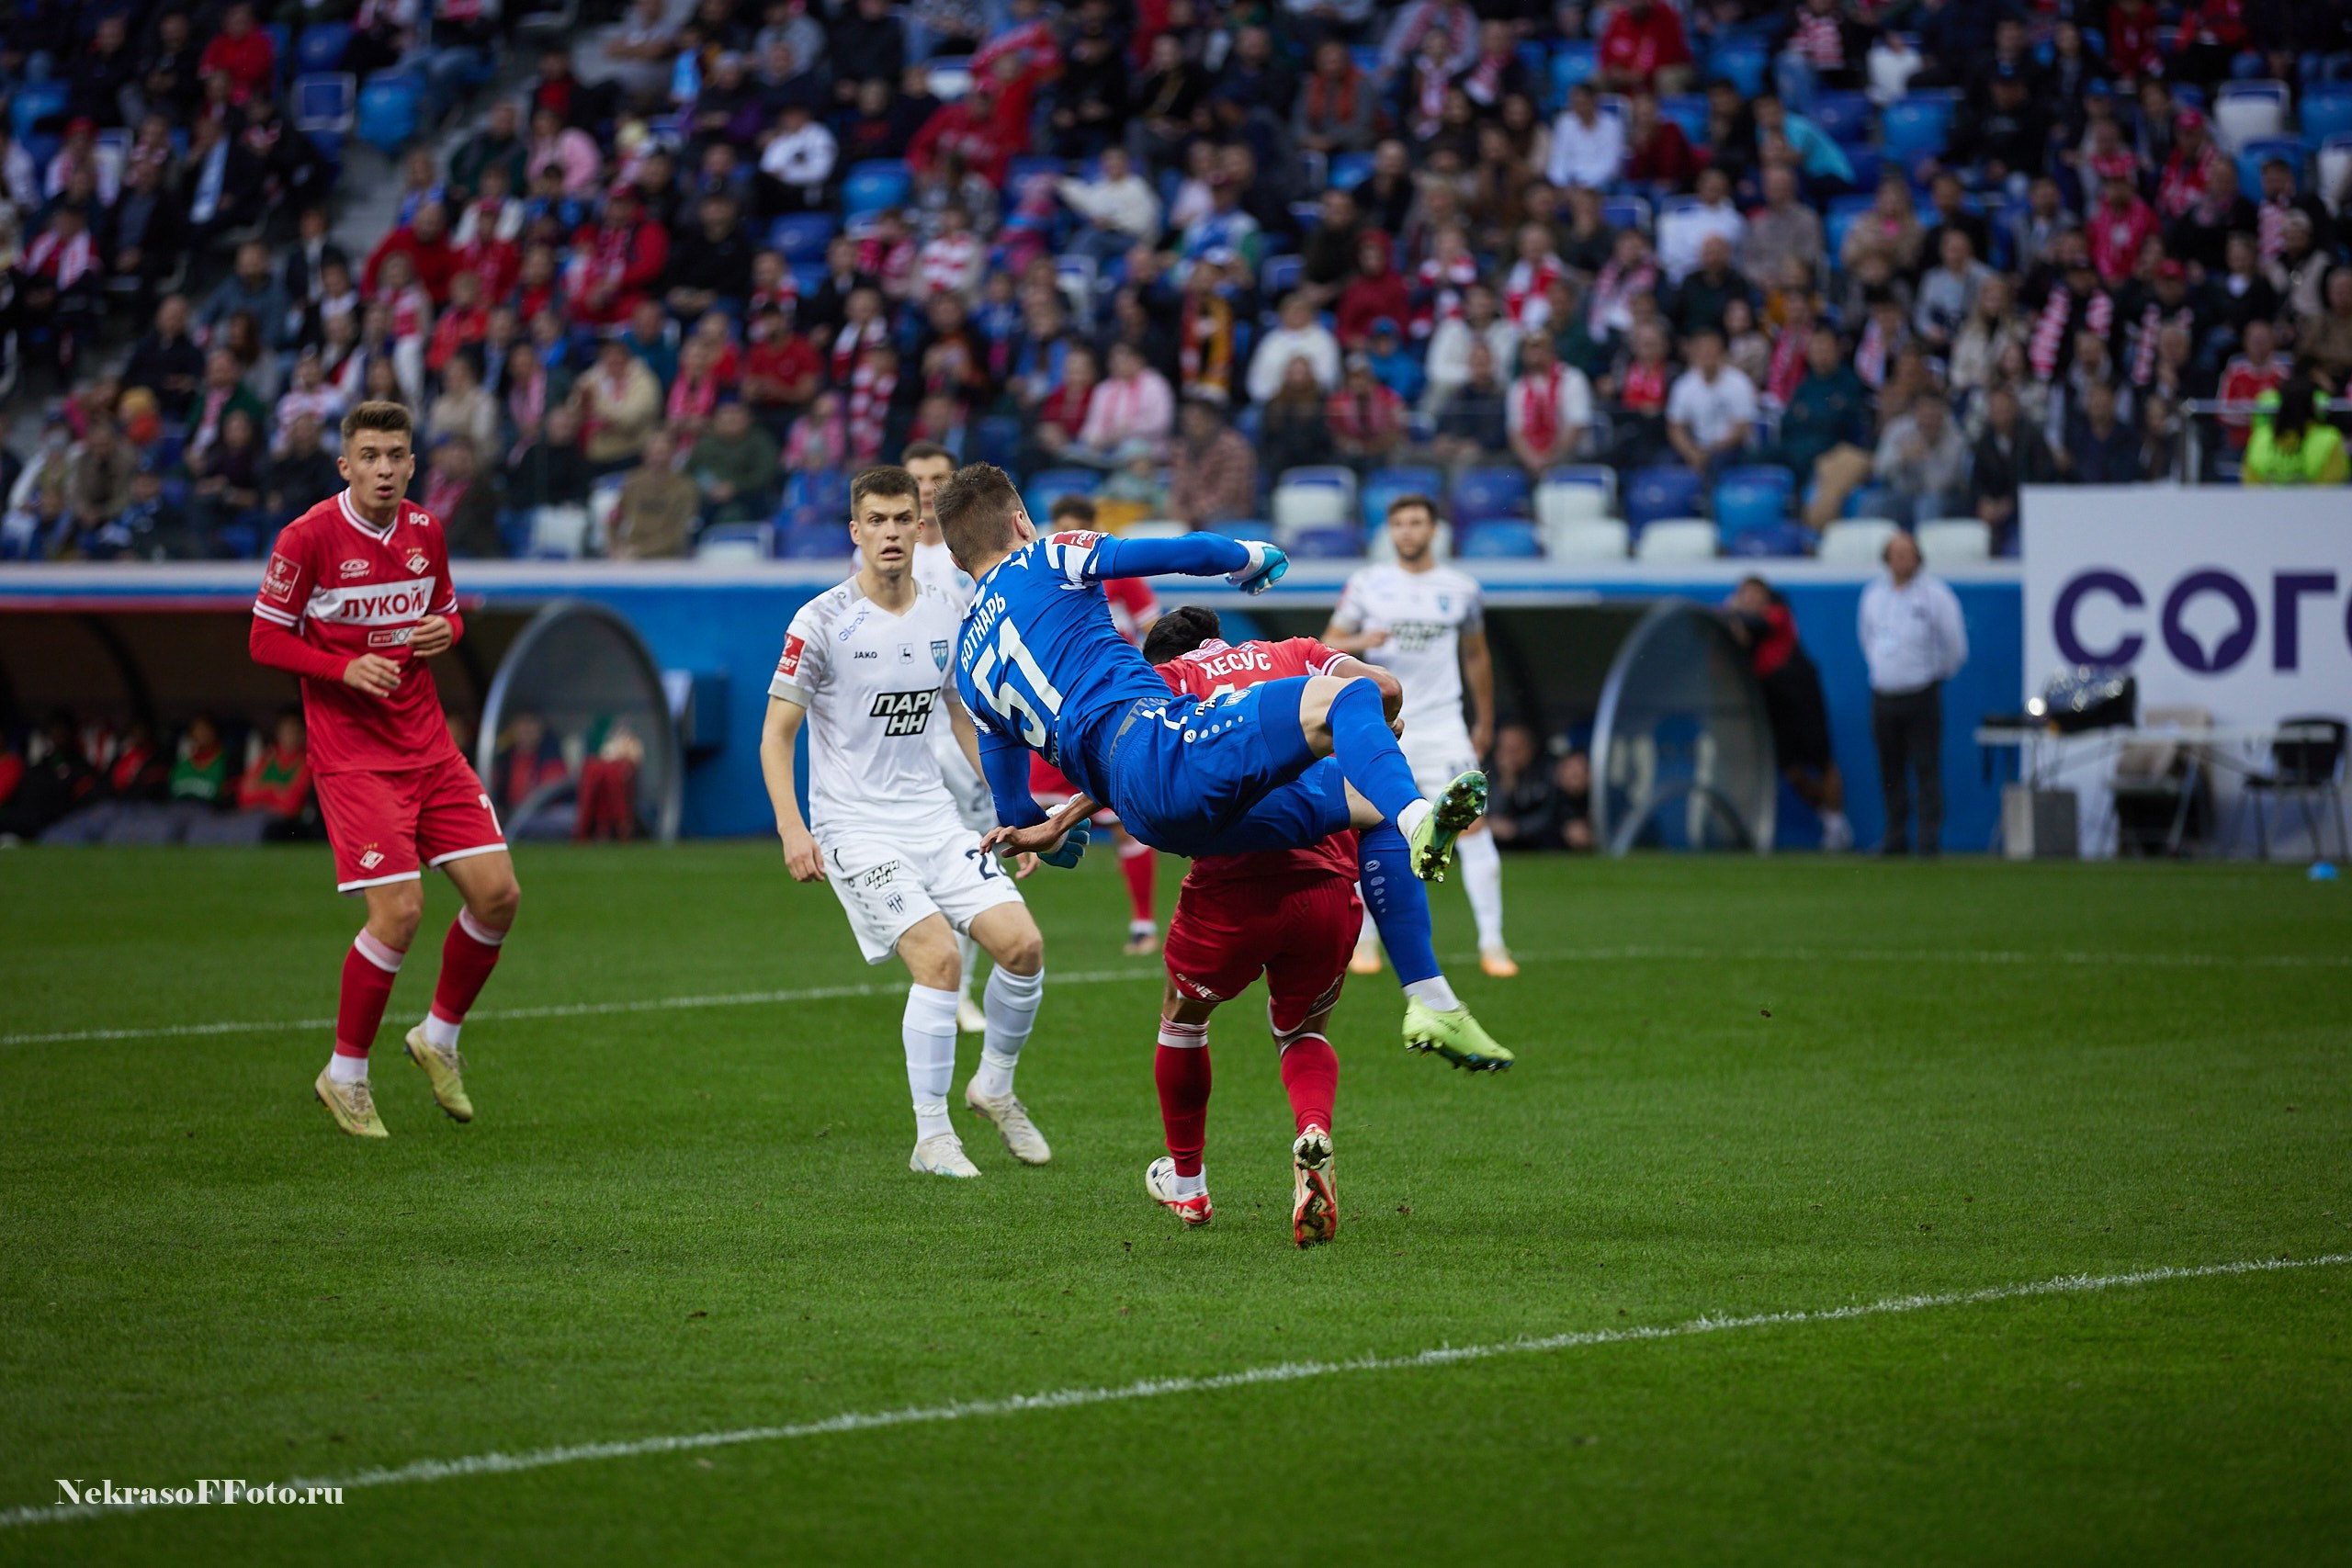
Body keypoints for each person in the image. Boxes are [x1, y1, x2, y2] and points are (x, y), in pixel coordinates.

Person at [937, 464, 1509, 1070]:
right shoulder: (1048, 555)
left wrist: (1052, 834)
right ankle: (1420, 817)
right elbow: (1182, 552)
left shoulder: (970, 671)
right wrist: (1249, 555)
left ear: (954, 557)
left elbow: (1016, 813)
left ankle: (1432, 998)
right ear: (1021, 519)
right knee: (1348, 697)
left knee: (1367, 806)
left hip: (1145, 811)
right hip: (1165, 744)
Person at [758, 466, 1052, 1179]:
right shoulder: (821, 621)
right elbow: (777, 735)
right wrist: (793, 830)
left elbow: (964, 716)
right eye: (877, 522)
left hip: (934, 818)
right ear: (856, 532)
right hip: (854, 828)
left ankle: (996, 1087)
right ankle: (931, 1136)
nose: (891, 533)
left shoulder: (948, 612)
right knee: (940, 961)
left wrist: (1014, 810)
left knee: (1023, 948)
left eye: (902, 520)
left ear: (920, 530)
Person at [246, 401, 522, 1138]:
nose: (384, 469)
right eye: (369, 455)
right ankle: (346, 1074)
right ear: (346, 465)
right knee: (398, 912)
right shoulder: (307, 537)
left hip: (430, 748)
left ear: (410, 462)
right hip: (355, 760)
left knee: (498, 897)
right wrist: (341, 668)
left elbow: (449, 613)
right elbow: (264, 639)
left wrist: (448, 629)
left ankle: (438, 1037)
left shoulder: (427, 530)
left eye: (396, 455)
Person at [1141, 607, 1408, 1243]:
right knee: (1301, 1029)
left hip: (1230, 889)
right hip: (1325, 879)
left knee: (1183, 1017)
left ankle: (1190, 1187)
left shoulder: (1166, 682)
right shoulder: (1294, 652)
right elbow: (1384, 687)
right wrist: (1380, 724)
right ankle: (1312, 1129)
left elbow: (1129, 762)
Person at [1327, 494, 1512, 978]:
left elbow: (1476, 655)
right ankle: (1365, 942)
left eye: (1416, 523)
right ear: (1390, 532)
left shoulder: (1461, 588)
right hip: (1384, 724)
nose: (1408, 532)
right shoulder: (1368, 584)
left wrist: (1485, 720)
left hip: (1444, 724)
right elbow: (1327, 644)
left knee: (1471, 827)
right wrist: (1363, 643)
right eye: (1399, 524)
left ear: (1434, 530)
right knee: (1368, 826)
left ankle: (1493, 943)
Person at [1029, 494, 1164, 958]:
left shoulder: (1118, 575)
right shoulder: (1038, 576)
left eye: (1073, 529)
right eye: (1056, 528)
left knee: (1125, 821)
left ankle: (1144, 924)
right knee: (1019, 814)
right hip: (1053, 714)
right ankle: (997, 917)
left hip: (1108, 713)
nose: (1062, 538)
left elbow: (1155, 629)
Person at [899, 442, 998, 1034]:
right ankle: (934, 975)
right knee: (921, 863)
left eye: (939, 477)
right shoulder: (892, 562)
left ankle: (961, 989)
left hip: (969, 729)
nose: (930, 489)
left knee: (976, 857)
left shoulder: (975, 554)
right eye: (920, 479)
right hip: (912, 738)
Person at [1859, 531, 1968, 857]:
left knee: (1926, 767)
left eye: (1907, 553)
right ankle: (1895, 836)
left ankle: (1928, 838)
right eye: (1895, 553)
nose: (1901, 559)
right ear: (1886, 558)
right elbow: (1868, 640)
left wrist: (1934, 675)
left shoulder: (1935, 595)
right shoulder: (1873, 595)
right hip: (1883, 694)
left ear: (1918, 557)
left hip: (1921, 692)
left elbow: (1955, 645)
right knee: (1889, 768)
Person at [1724, 577, 1850, 850]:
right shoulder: (1742, 627)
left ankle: (1836, 824)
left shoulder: (1778, 615)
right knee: (1792, 771)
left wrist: (1731, 613)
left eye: (1756, 595)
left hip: (1801, 697)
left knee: (1822, 760)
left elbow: (1755, 624)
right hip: (1772, 703)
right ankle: (1829, 817)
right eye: (1744, 595)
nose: (1750, 600)